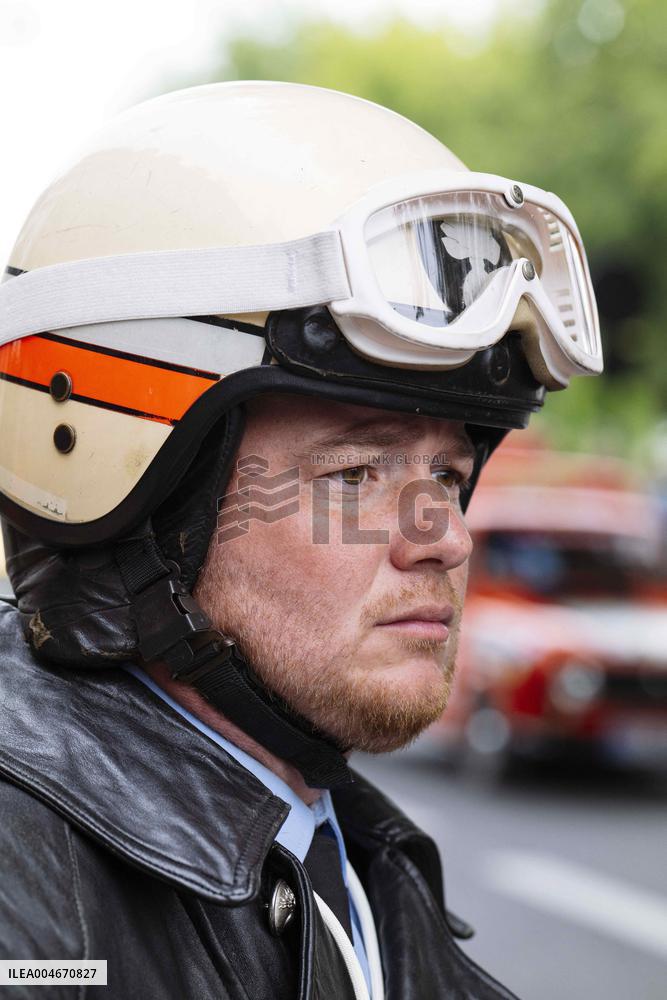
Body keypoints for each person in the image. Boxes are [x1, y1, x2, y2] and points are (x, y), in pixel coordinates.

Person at [0, 81, 602, 999]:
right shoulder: (29, 910)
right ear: (132, 487)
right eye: (354, 476)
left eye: (447, 475)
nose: (443, 541)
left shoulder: (349, 859)